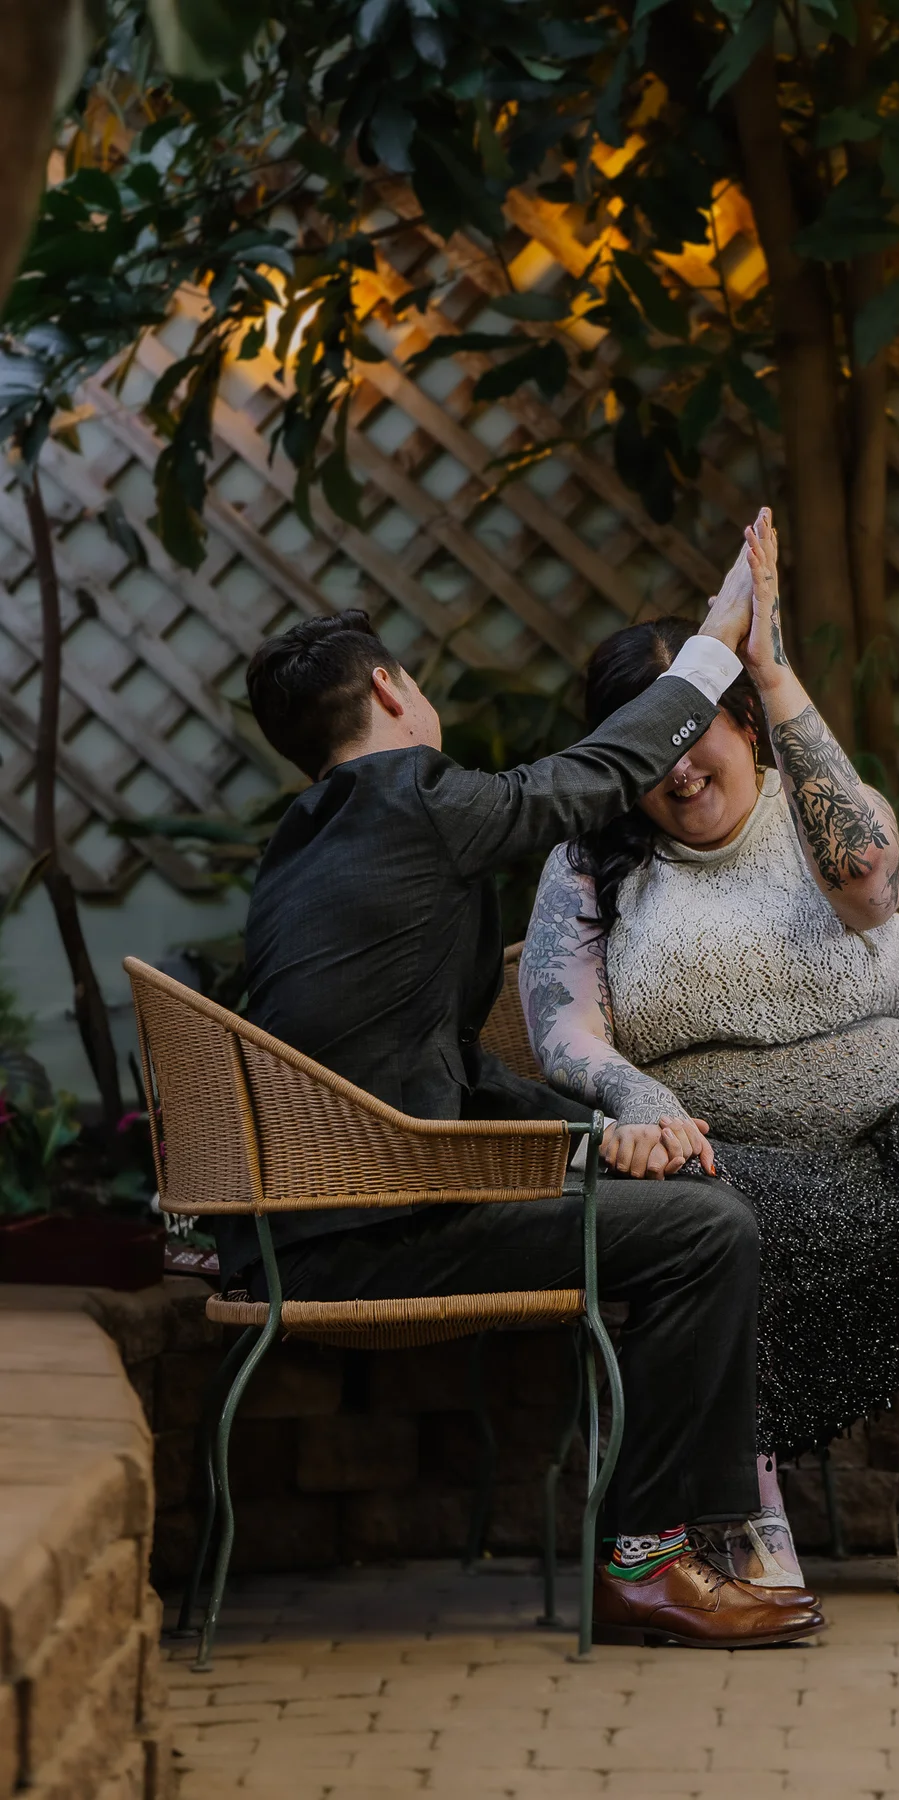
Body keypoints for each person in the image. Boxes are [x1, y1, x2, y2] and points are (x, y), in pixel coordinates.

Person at [218, 579, 826, 1649]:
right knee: (707, 1230)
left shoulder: (301, 845)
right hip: (367, 1231)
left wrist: (601, 1135)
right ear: (392, 690)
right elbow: (592, 776)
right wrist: (711, 646)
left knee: (677, 1199)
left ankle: (696, 1538)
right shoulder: (413, 802)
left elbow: (439, 1062)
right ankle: (653, 1561)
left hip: (306, 1224)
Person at [519, 508, 899, 1597]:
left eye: (693, 730)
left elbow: (871, 885)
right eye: (645, 746)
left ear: (741, 721)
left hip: (886, 1131)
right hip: (717, 1146)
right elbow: (562, 1025)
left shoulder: (820, 808)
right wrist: (634, 1095)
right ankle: (749, 1514)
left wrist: (774, 667)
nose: (676, 770)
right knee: (728, 1226)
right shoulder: (593, 862)